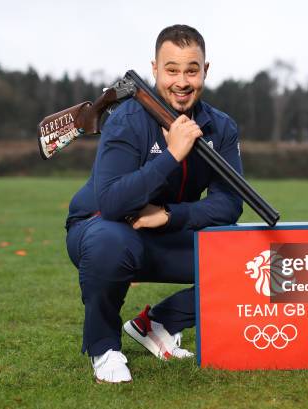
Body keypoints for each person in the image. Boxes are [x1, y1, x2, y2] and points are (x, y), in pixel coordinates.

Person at [65, 24, 243, 383]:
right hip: (100, 227)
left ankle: (158, 324)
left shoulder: (221, 128)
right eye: (172, 69)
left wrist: (168, 216)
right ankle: (104, 347)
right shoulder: (127, 120)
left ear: (205, 71)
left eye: (192, 70)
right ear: (155, 69)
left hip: (163, 230)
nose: (182, 81)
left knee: (243, 256)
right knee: (110, 241)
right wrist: (172, 155)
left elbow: (229, 204)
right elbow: (112, 202)